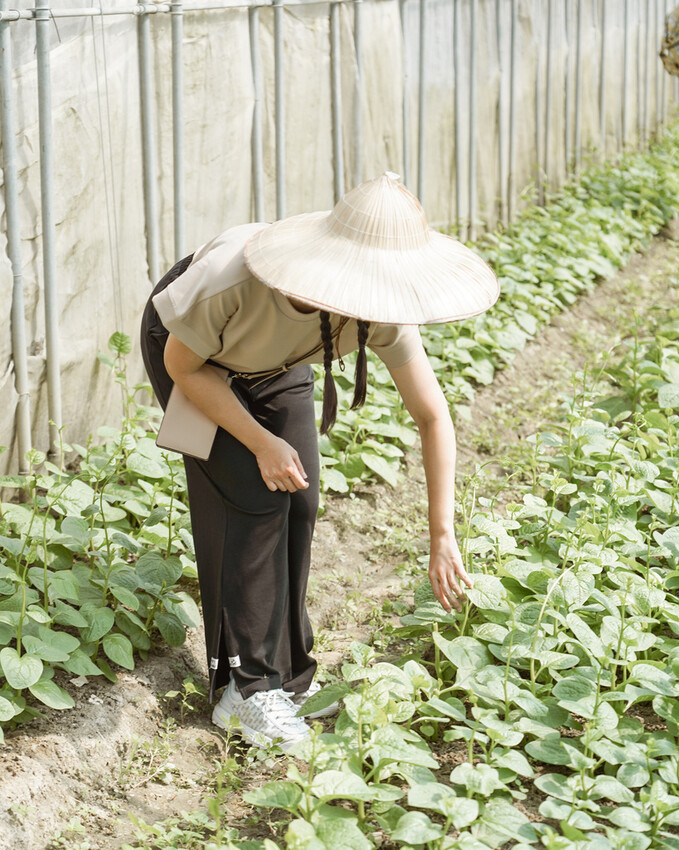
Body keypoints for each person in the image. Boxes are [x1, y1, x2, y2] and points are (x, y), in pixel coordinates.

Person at [140, 172, 499, 752]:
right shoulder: (232, 283)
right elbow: (184, 366)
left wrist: (442, 533)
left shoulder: (374, 306)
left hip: (281, 361)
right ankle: (245, 690)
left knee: (301, 501)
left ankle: (285, 674)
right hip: (193, 351)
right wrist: (259, 441)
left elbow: (433, 417)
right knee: (253, 499)